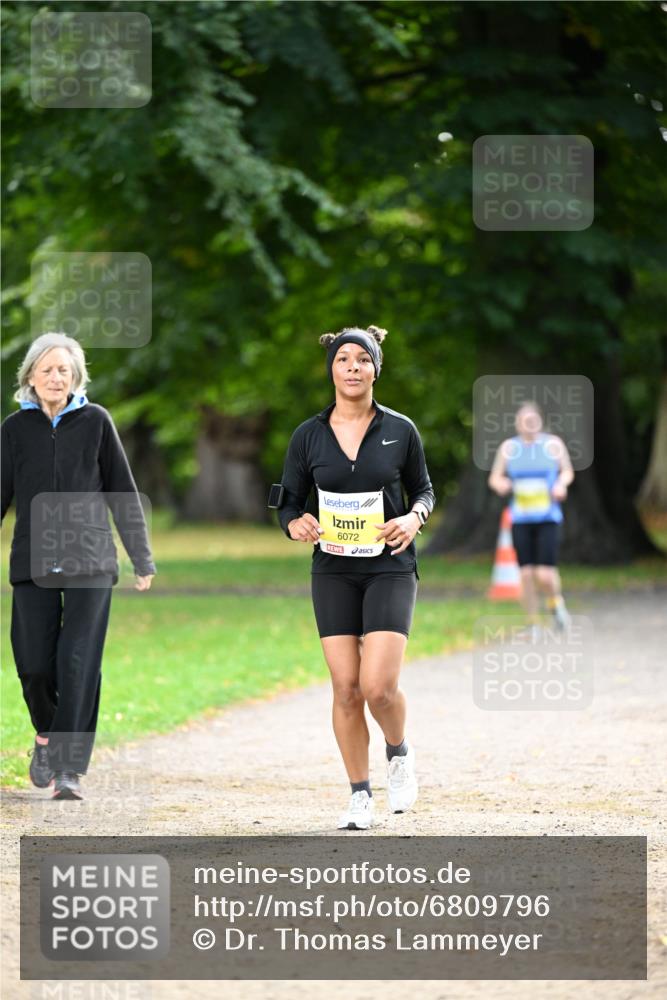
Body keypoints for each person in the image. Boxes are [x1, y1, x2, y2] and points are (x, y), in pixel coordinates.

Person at [275, 325, 435, 830]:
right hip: (334, 570)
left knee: (377, 687)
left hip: (389, 566)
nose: (352, 367)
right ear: (332, 370)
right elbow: (287, 502)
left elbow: (424, 491)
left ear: (375, 369)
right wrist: (293, 523)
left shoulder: (400, 430)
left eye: (362, 359)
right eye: (343, 359)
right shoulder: (308, 435)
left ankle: (399, 752)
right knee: (346, 688)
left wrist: (413, 518)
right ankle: (360, 794)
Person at [1, 333, 155, 800]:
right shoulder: (14, 429)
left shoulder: (96, 422)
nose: (55, 377)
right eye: (46, 370)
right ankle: (47, 736)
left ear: (76, 377)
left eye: (64, 370)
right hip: (33, 558)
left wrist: (141, 556)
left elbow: (122, 491)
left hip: (90, 558)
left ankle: (68, 768)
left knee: (78, 661)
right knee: (33, 664)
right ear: (30, 376)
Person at [488, 400, 574, 631]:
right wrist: (501, 484)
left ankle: (556, 604)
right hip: (521, 518)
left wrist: (561, 485)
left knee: (544, 574)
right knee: (525, 573)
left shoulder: (553, 444)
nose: (529, 424)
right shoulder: (509, 448)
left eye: (533, 420)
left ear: (540, 421)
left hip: (548, 518)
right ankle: (533, 621)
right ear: (517, 423)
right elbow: (494, 478)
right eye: (524, 421)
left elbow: (567, 471)